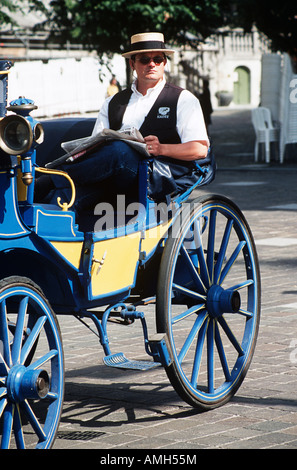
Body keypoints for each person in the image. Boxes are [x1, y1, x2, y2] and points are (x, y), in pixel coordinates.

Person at [35, 32, 211, 211]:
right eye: (144, 60)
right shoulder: (113, 102)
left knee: (119, 150)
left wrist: (161, 148)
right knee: (61, 198)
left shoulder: (183, 99)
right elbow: (96, 144)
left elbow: (199, 149)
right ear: (132, 64)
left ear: (164, 63)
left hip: (156, 177)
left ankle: (52, 178)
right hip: (111, 177)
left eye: (157, 59)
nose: (152, 64)